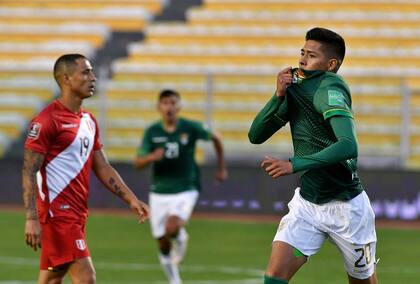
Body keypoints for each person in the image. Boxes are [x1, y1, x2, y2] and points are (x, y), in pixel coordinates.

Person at [248, 27, 378, 284]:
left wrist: (294, 164)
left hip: (347, 210)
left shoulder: (330, 90)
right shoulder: (296, 85)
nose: (302, 59)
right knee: (274, 277)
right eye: (302, 52)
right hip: (307, 204)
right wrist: (278, 96)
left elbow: (348, 146)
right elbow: (256, 135)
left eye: (311, 55)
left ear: (331, 64)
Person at [22, 54, 150, 284]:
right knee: (86, 277)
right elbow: (29, 170)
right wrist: (31, 218)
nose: (93, 77)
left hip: (78, 213)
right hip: (57, 214)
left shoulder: (89, 121)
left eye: (91, 72)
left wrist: (131, 199)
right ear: (66, 79)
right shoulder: (47, 121)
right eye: (86, 72)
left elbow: (102, 166)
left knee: (53, 277)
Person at [134, 89, 227, 284]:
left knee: (172, 226)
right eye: (165, 103)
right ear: (159, 107)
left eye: (173, 102)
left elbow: (216, 137)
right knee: (162, 242)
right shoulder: (152, 132)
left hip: (186, 187)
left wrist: (220, 168)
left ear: (179, 106)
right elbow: (138, 162)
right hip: (159, 191)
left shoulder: (189, 127)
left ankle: (180, 235)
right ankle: (174, 280)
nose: (169, 107)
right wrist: (151, 157)